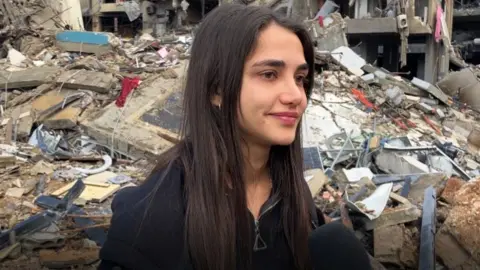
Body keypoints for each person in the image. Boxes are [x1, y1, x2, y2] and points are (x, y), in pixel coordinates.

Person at [98, 3, 325, 270]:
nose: (296, 96)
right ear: (216, 90)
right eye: (269, 74)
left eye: (300, 78)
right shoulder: (153, 220)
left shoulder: (296, 201)